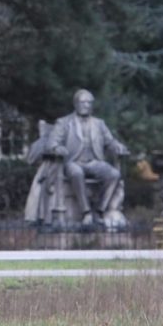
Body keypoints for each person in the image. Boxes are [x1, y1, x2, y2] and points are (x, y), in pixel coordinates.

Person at [46, 89, 130, 226]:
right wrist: (57, 148)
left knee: (114, 174)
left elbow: (110, 141)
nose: (86, 105)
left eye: (89, 102)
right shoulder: (64, 122)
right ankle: (86, 212)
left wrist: (117, 146)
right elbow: (51, 143)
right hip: (72, 162)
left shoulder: (99, 123)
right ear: (75, 104)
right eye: (83, 102)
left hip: (93, 162)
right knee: (77, 172)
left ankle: (99, 211)